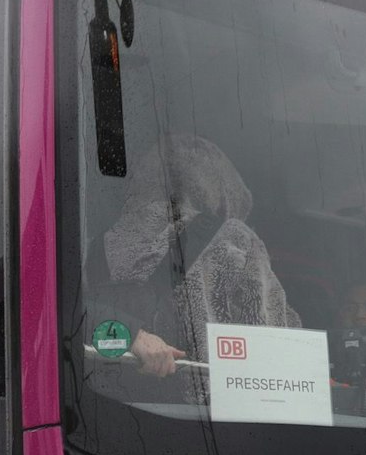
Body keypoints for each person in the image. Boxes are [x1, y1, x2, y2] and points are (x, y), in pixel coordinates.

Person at [92, 135, 299, 379]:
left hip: (105, 401)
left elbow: (67, 323)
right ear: (226, 190)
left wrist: (131, 333)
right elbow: (277, 350)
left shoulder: (94, 247)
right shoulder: (234, 239)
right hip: (196, 410)